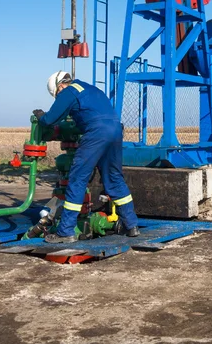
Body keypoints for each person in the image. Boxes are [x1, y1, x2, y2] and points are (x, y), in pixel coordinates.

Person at [33, 71, 139, 243]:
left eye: (56, 94)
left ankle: (66, 231)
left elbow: (51, 119)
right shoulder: (90, 88)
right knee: (114, 178)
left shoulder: (68, 92)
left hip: (97, 132)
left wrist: (41, 117)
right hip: (115, 130)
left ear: (60, 86)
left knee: (77, 179)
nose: (58, 96)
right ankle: (132, 225)